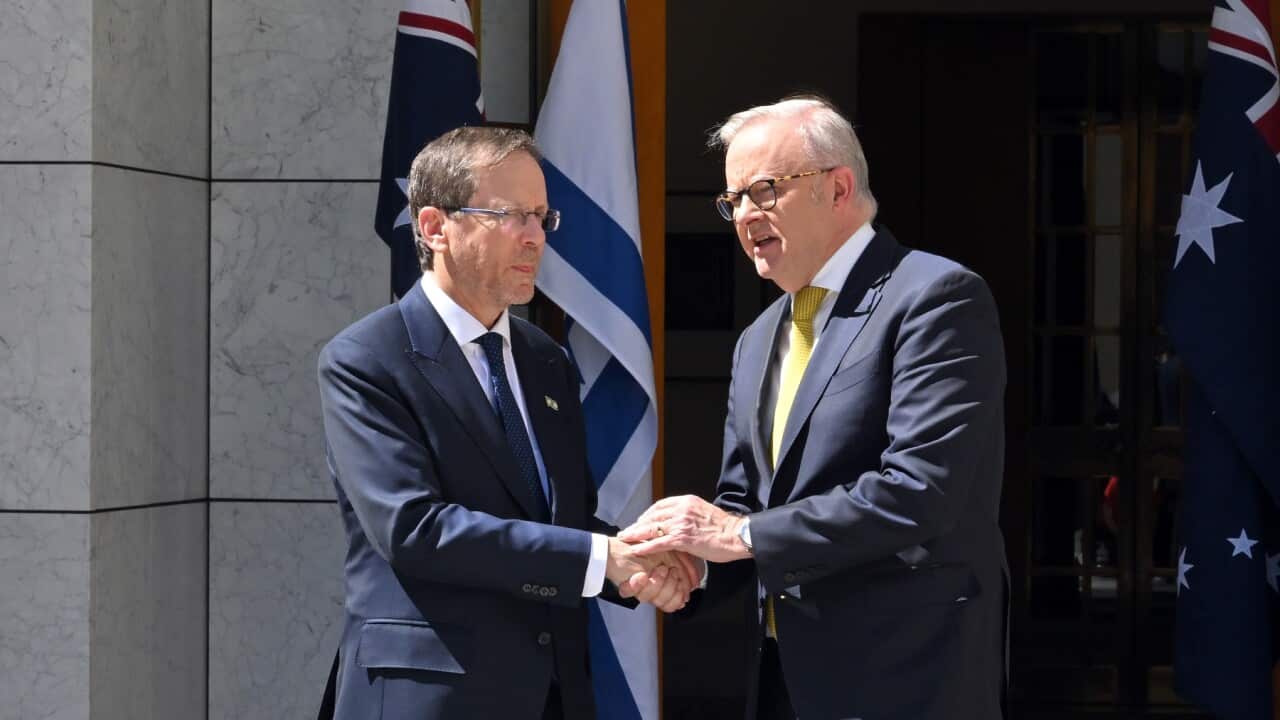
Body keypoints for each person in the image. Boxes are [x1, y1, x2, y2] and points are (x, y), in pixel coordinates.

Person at [620, 96, 1008, 720]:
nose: (744, 215)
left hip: (905, 673)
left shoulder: (935, 298)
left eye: (764, 191)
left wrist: (737, 535)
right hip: (785, 678)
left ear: (839, 188)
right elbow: (746, 504)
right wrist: (690, 566)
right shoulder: (759, 337)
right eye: (733, 200)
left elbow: (919, 490)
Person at [317, 126, 692, 720]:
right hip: (430, 699)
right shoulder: (367, 358)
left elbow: (561, 521)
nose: (535, 237)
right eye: (511, 215)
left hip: (553, 695)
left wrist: (641, 558)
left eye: (542, 217)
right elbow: (414, 529)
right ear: (435, 227)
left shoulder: (546, 360)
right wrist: (601, 558)